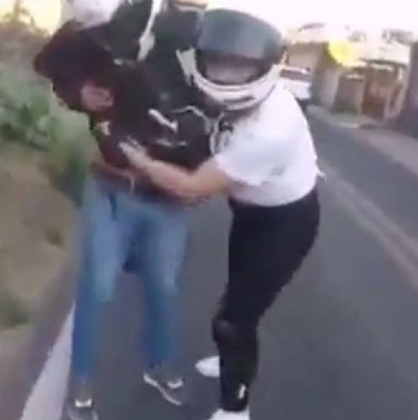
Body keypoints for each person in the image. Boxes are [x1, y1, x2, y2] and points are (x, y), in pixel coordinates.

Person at [120, 2, 321, 419]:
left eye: (239, 67)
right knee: (236, 296)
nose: (225, 75)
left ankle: (236, 407)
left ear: (262, 69)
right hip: (249, 212)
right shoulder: (222, 96)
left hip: (286, 222)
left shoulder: (271, 130)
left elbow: (192, 188)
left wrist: (139, 160)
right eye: (217, 62)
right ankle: (232, 357)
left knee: (232, 321)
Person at [33, 1, 211, 419]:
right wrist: (79, 92)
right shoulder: (123, 27)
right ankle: (81, 383)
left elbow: (228, 127)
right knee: (97, 289)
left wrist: (204, 182)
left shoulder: (209, 49)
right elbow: (52, 62)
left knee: (164, 288)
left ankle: (159, 366)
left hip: (170, 199)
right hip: (112, 186)